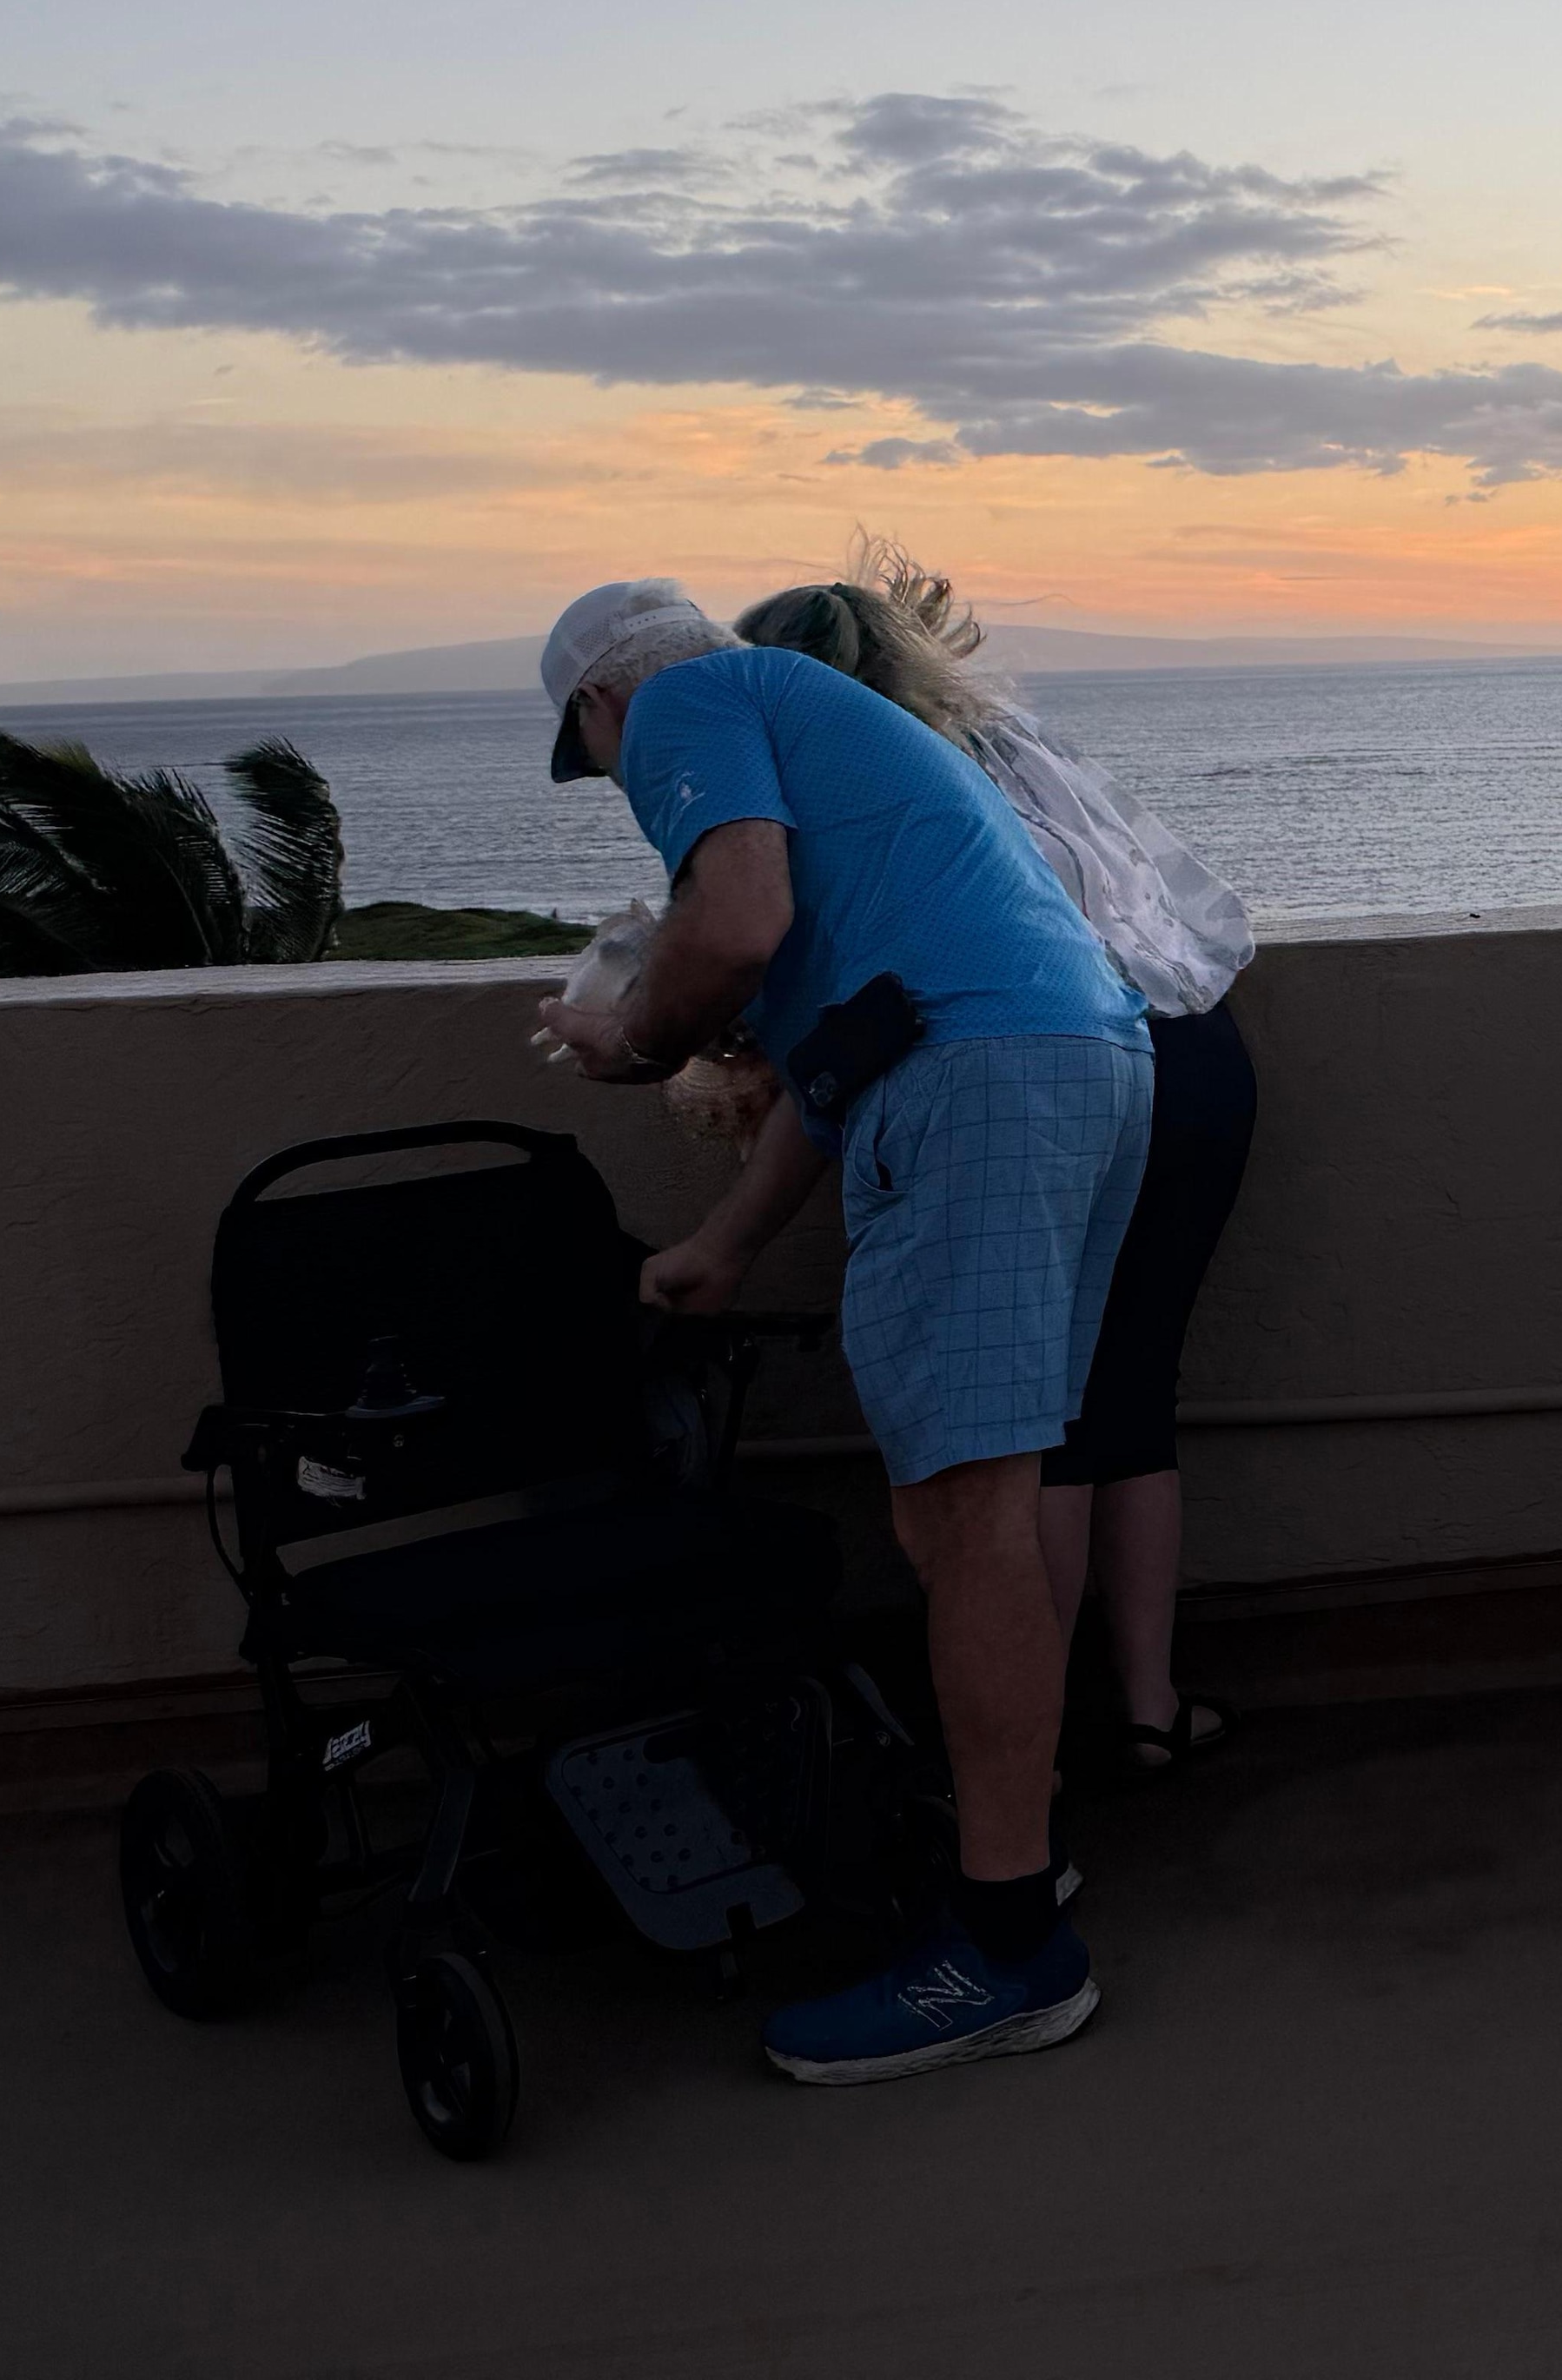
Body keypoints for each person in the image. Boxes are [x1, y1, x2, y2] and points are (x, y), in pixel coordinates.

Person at [531, 576, 1153, 2080]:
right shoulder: (848, 734)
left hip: (981, 1086)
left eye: (595, 755)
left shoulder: (693, 700)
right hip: (1064, 1059)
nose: (624, 784)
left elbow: (735, 926)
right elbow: (833, 1060)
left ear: (605, 705)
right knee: (962, 1518)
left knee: (969, 1510)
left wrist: (636, 1034)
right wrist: (720, 1249)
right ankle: (1015, 1864)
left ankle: (1006, 1949)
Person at [725, 545, 1260, 1778]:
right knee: (1134, 1398)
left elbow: (825, 990)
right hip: (1198, 1052)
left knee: (1039, 1431)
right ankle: (1147, 1705)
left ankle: (1032, 1748)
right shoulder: (1013, 743)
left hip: (1055, 1066)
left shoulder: (852, 791)